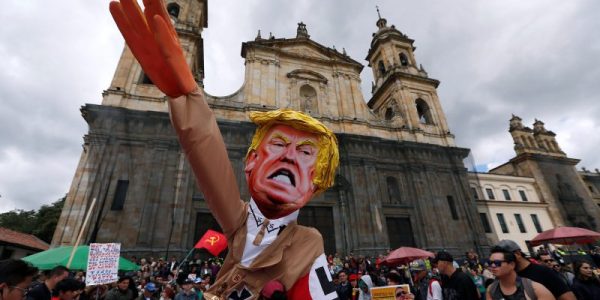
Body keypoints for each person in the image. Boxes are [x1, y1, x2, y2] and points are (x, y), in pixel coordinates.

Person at [109, 1, 340, 298]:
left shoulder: (309, 245)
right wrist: (188, 100)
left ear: (318, 181)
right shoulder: (241, 221)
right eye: (278, 144)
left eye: (306, 152)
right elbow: (209, 158)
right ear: (250, 160)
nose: (288, 156)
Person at [496, 240, 576, 300]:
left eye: (504, 258)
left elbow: (568, 298)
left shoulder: (543, 272)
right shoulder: (505, 277)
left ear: (518, 254)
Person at [485, 246, 554, 300]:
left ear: (512, 264)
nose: (493, 266)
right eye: (490, 263)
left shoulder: (535, 289)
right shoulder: (491, 289)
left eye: (497, 263)